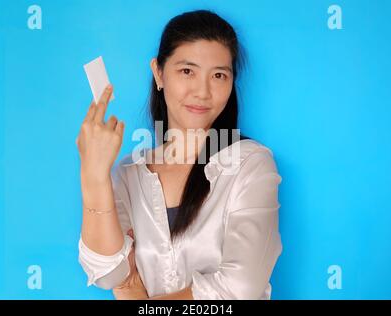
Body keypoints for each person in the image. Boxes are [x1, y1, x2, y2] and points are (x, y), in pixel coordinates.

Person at [76, 9, 283, 300]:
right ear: (159, 73)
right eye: (187, 71)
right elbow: (108, 273)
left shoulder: (250, 165)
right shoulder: (129, 173)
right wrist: (93, 175)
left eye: (219, 75)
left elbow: (240, 289)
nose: (202, 91)